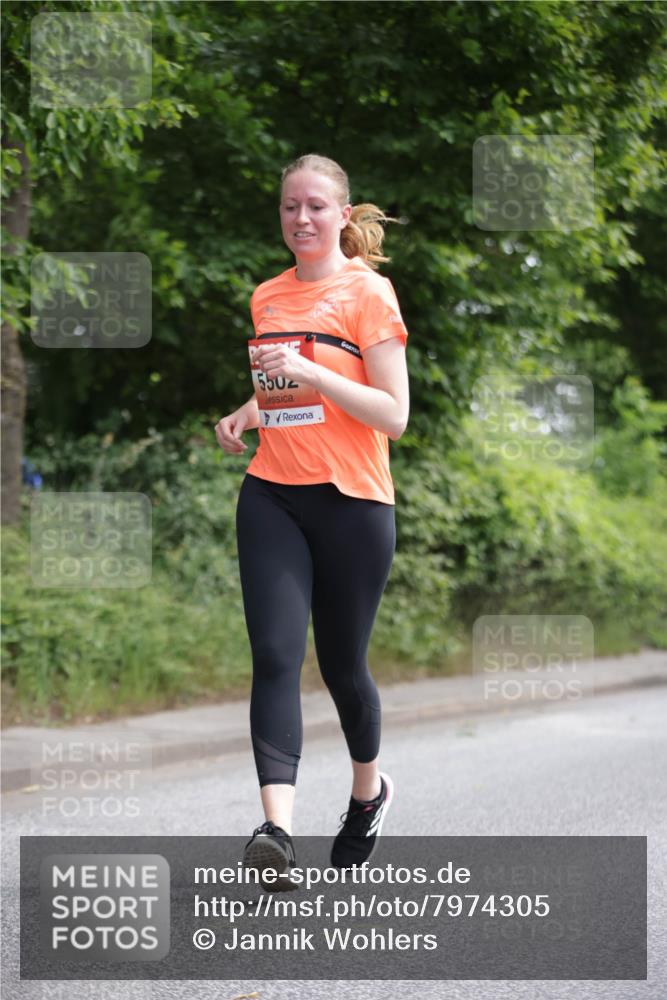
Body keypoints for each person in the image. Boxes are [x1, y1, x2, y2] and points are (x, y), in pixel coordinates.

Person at [214, 153, 409, 889]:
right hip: (273, 492)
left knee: (342, 666)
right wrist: (249, 411)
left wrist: (321, 373)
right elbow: (284, 396)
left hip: (354, 501)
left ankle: (368, 793)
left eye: (316, 207)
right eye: (291, 207)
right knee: (272, 653)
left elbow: (393, 415)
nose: (301, 219)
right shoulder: (268, 295)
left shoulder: (369, 294)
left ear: (341, 214)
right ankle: (276, 832)